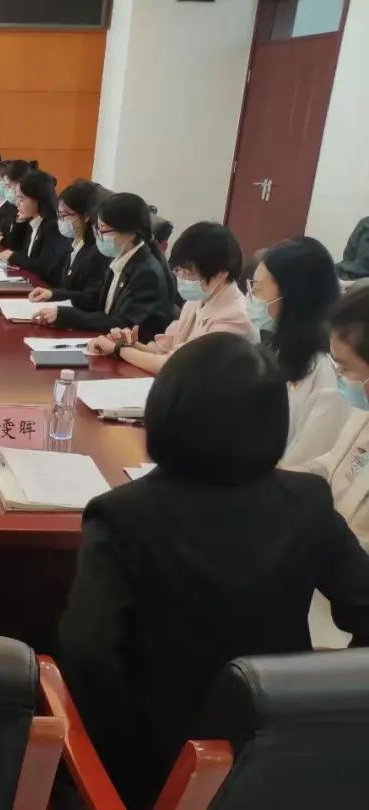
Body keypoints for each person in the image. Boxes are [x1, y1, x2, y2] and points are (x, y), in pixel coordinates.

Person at [59, 332, 369, 809]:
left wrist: (122, 759)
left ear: (165, 411)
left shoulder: (123, 514)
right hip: (274, 754)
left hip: (155, 767)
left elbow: (88, 652)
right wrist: (316, 709)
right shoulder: (307, 502)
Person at [298, 287, 369, 647]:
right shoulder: (363, 411)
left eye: (346, 367)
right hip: (331, 580)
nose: (338, 375)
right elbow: (333, 464)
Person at [88, 222, 254, 374]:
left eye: (189, 273)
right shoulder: (199, 299)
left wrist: (119, 349)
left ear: (221, 274)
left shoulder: (234, 317)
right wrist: (130, 344)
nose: (181, 278)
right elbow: (162, 350)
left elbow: (173, 365)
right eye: (178, 271)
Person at [251, 237, 349, 465]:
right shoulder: (276, 347)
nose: (252, 299)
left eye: (257, 290)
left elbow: (303, 465)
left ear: (293, 296)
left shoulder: (328, 375)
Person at [34, 192, 176, 343]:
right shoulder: (120, 257)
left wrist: (66, 316)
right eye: (98, 228)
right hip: (105, 339)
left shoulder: (147, 273)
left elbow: (123, 324)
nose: (99, 236)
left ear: (131, 233)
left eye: (104, 230)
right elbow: (96, 302)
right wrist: (55, 296)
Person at [28, 180, 111, 310]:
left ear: (86, 216)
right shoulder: (73, 244)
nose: (60, 220)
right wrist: (52, 294)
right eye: (59, 214)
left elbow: (91, 299)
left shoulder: (96, 252)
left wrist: (55, 295)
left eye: (64, 215)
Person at [0, 169, 70, 286]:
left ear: (38, 199)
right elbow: (13, 248)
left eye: (21, 199)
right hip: (29, 283)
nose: (17, 203)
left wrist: (12, 256)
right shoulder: (33, 221)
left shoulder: (54, 227)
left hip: (46, 288)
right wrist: (19, 222)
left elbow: (44, 267)